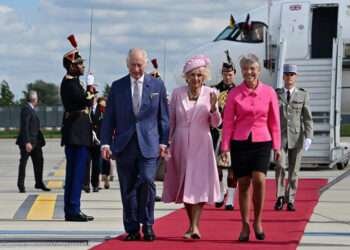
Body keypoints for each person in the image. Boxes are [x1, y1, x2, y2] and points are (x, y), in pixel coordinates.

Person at [100, 48, 169, 241]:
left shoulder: (157, 85)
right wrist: (105, 143)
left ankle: (147, 224)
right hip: (124, 145)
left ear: (145, 64)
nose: (136, 69)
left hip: (149, 144)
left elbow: (164, 118)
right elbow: (109, 119)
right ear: (127, 64)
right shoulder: (117, 87)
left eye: (139, 65)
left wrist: (164, 141)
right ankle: (131, 228)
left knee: (148, 181)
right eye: (133, 65)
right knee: (127, 187)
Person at [221, 54, 281, 242]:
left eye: (252, 69)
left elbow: (275, 121)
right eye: (245, 69)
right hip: (240, 141)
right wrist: (225, 147)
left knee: (260, 179)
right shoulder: (234, 94)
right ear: (241, 71)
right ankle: (245, 224)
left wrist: (277, 146)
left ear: (259, 71)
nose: (249, 72)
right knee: (244, 183)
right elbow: (228, 122)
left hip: (263, 140)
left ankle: (258, 221)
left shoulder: (270, 92)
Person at [162, 55, 221, 240]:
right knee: (184, 183)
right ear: (186, 76)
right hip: (180, 143)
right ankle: (192, 223)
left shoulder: (211, 93)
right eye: (192, 75)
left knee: (200, 184)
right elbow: (171, 121)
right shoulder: (177, 93)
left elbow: (216, 124)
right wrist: (166, 143)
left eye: (199, 75)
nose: (196, 79)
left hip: (202, 143)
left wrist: (214, 109)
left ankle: (194, 226)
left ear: (204, 76)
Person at [60, 34, 95, 222]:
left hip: (78, 133)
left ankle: (72, 208)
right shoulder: (69, 84)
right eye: (80, 64)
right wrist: (90, 90)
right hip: (76, 134)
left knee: (75, 173)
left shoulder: (73, 83)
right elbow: (82, 101)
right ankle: (73, 209)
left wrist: (89, 92)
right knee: (76, 174)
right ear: (72, 65)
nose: (82, 66)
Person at [274, 64, 313, 211]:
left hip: (297, 137)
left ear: (296, 77)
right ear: (283, 76)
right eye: (287, 74)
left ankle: (290, 199)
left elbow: (307, 118)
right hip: (280, 137)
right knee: (280, 167)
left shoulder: (303, 95)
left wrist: (309, 136)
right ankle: (279, 197)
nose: (289, 77)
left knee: (294, 169)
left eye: (292, 74)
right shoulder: (276, 94)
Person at [211, 51, 237, 210]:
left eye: (230, 74)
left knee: (233, 168)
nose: (228, 76)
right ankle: (221, 193)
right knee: (218, 167)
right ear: (222, 74)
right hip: (217, 133)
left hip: (234, 133)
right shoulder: (214, 90)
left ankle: (231, 199)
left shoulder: (239, 90)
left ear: (234, 74)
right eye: (225, 74)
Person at [16, 90, 51, 193]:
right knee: (23, 163)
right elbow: (25, 127)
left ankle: (39, 183)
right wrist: (27, 142)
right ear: (34, 99)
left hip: (36, 143)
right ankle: (21, 185)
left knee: (39, 161)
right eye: (37, 99)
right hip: (28, 143)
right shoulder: (26, 109)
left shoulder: (31, 109)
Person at [83, 73, 101, 193]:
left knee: (96, 165)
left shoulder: (102, 109)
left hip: (98, 140)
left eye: (94, 95)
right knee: (86, 163)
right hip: (87, 139)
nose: (93, 97)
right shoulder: (86, 107)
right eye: (92, 95)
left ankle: (95, 184)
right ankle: (86, 184)